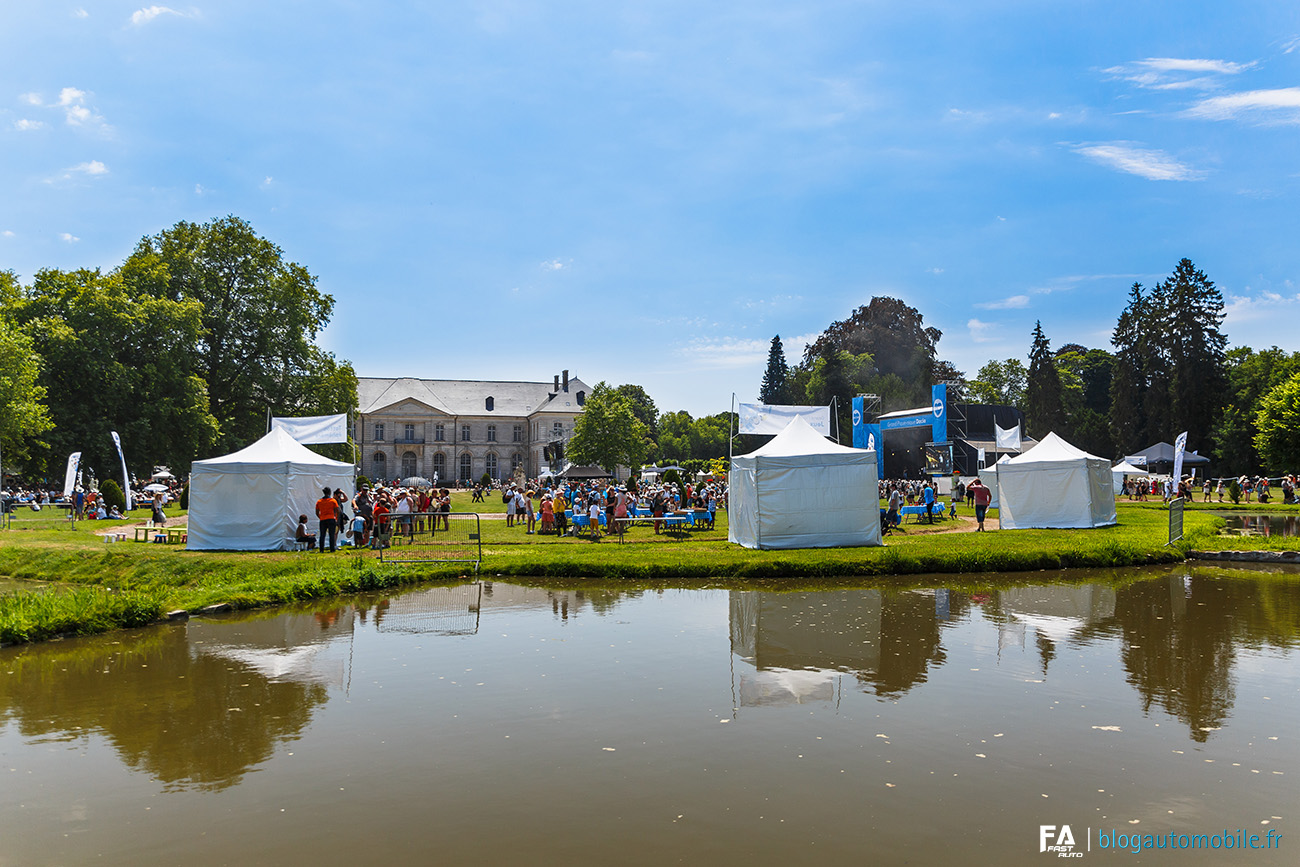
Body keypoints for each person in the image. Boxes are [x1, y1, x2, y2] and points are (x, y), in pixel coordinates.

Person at [315, 486, 340, 552]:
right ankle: (332, 549)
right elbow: (338, 510)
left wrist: (320, 517)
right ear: (330, 492)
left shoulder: (319, 501)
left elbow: (317, 512)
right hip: (331, 518)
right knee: (331, 535)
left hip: (322, 519)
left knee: (322, 535)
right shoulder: (332, 500)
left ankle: (321, 549)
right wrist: (336, 517)